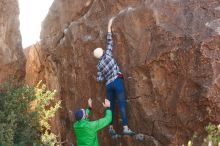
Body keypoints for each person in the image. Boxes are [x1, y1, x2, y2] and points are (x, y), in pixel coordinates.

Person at [93, 17, 135, 136]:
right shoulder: (107, 54)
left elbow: (100, 79)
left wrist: (101, 75)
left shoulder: (99, 65)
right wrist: (109, 26)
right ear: (102, 51)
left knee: (110, 108)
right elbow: (110, 41)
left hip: (108, 86)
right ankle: (125, 128)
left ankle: (111, 128)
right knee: (121, 104)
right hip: (117, 80)